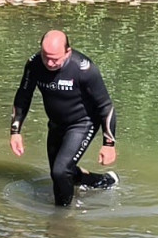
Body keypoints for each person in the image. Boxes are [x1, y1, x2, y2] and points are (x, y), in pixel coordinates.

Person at [9, 30, 118, 207]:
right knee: (58, 173)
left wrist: (109, 143)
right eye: (46, 57)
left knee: (61, 172)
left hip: (82, 123)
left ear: (68, 51)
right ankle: (103, 181)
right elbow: (23, 95)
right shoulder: (34, 64)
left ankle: (62, 218)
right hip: (56, 124)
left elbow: (106, 106)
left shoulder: (83, 69)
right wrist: (15, 131)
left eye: (55, 59)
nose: (50, 63)